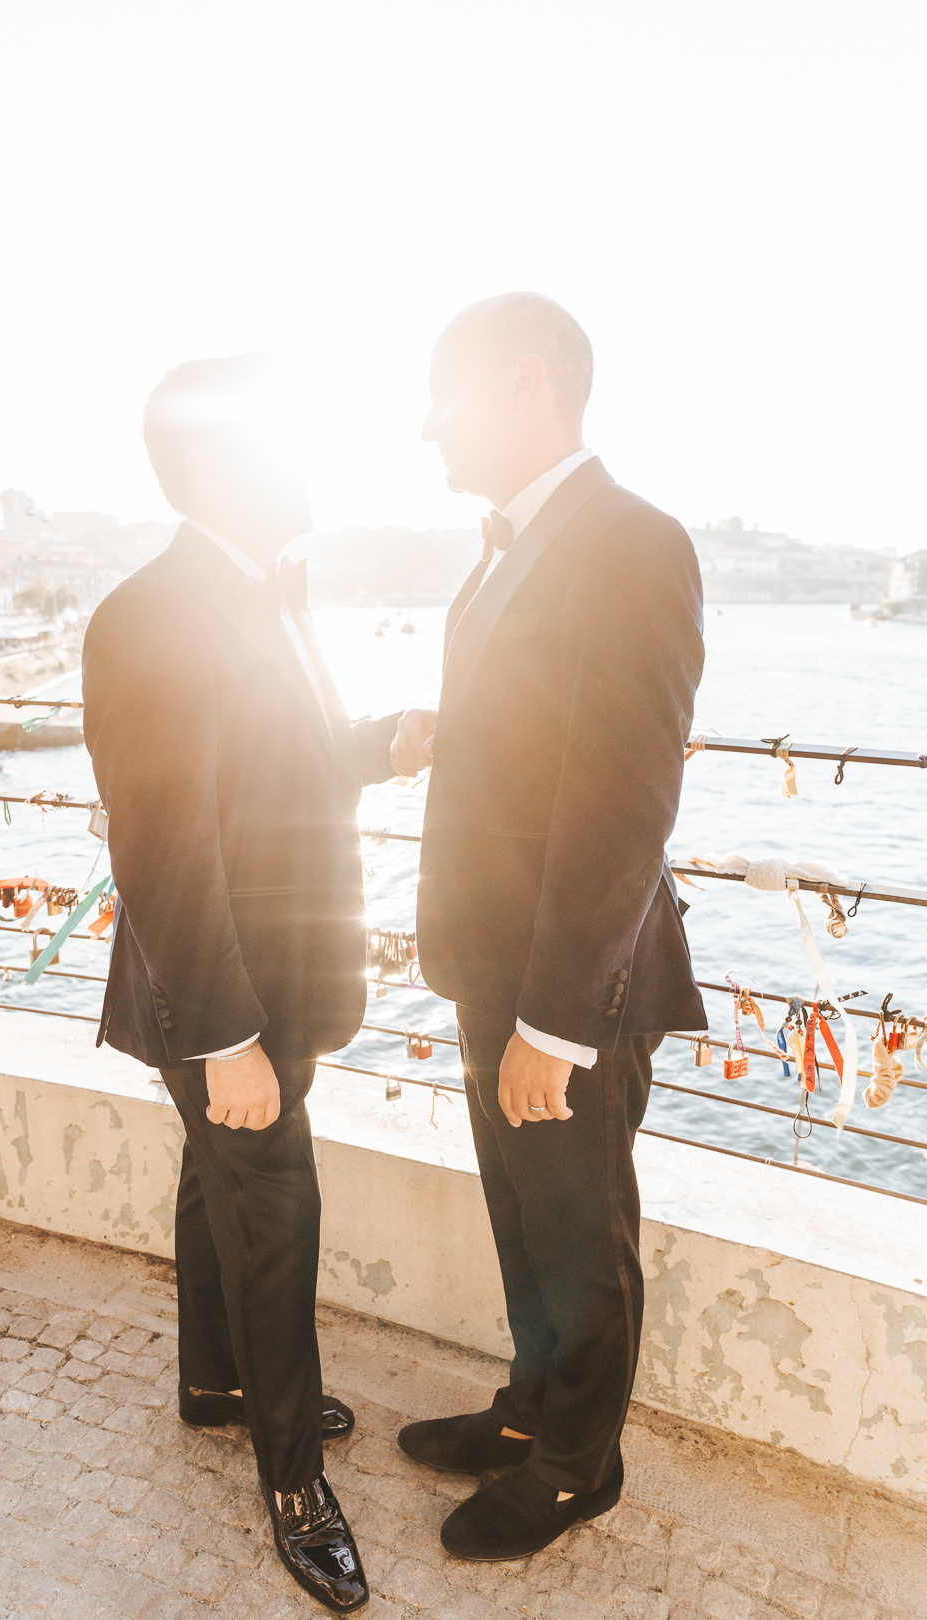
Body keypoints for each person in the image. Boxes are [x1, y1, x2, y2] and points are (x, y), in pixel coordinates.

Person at [392, 293, 708, 1561]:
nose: (428, 427)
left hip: (569, 986)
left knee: (578, 1233)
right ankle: (529, 1412)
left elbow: (624, 800)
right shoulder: (506, 553)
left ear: (526, 384)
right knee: (524, 1218)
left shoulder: (633, 543)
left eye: (444, 395)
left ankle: (578, 1467)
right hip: (494, 965)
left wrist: (557, 1024)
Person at [82, 355, 401, 1614]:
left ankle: (215, 1381)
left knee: (215, 1185)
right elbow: (164, 845)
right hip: (223, 997)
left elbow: (285, 766)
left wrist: (386, 744)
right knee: (276, 1216)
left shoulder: (271, 592)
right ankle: (293, 1485)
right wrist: (224, 1040)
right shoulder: (150, 614)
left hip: (282, 978)